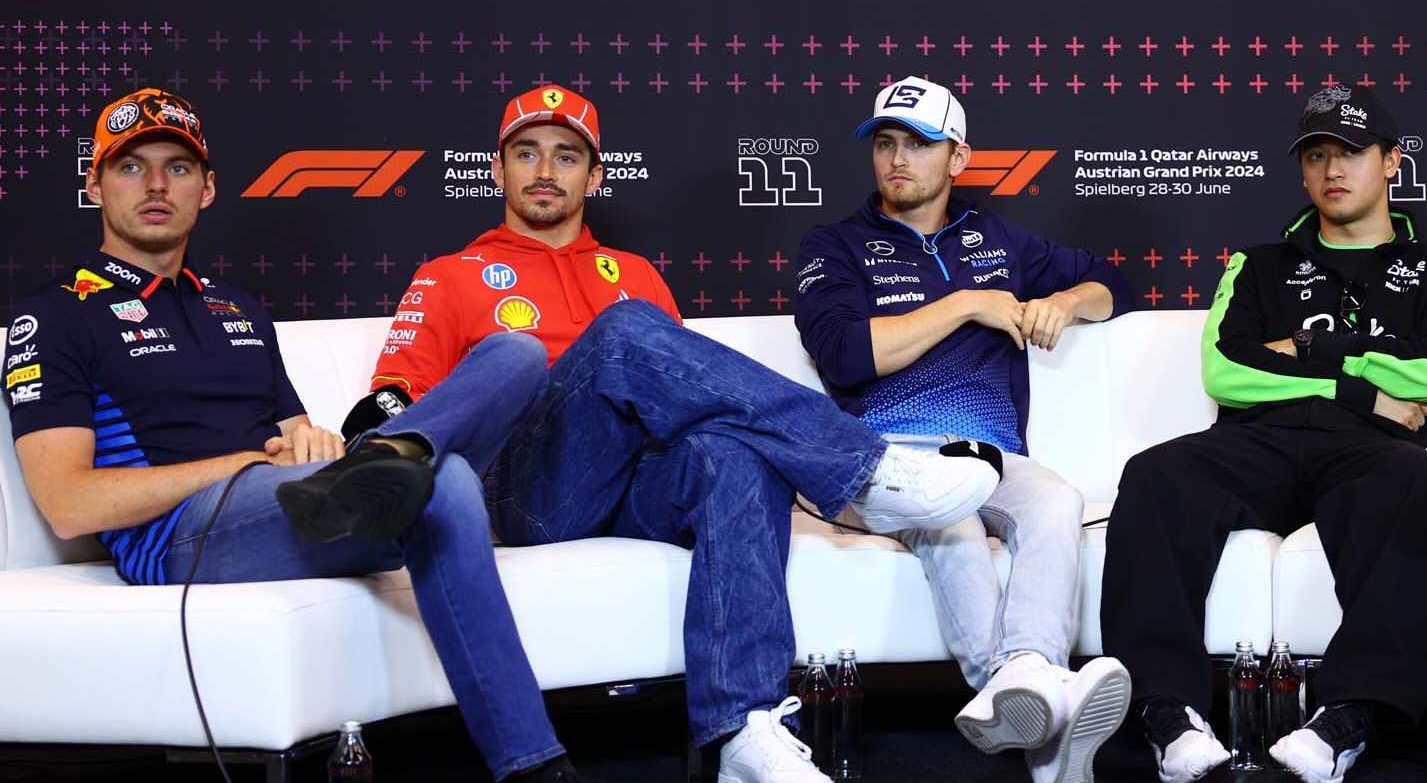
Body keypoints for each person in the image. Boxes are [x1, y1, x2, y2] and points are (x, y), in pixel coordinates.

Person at [312, 84, 1000, 783]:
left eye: (566, 156)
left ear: (596, 176)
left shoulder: (634, 274)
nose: (546, 171)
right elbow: (390, 406)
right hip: (527, 492)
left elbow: (696, 397)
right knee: (626, 331)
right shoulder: (449, 276)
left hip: (633, 484)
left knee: (731, 454)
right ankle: (867, 471)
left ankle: (744, 730)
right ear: (497, 170)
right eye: (527, 153)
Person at [3, 89, 591, 782]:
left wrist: (313, 447)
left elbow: (297, 438)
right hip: (181, 538)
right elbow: (71, 503)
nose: (157, 185)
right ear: (95, 183)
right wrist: (248, 463)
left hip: (289, 501)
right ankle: (534, 768)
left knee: (514, 355)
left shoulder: (239, 309)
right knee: (449, 481)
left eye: (178, 168)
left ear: (208, 188)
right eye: (131, 167)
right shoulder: (55, 314)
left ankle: (402, 451)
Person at [1098, 83, 1427, 783]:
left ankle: (1349, 716)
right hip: (1259, 441)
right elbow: (1226, 375)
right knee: (1156, 473)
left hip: (1372, 453)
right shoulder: (1257, 264)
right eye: (1317, 156)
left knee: (1415, 478)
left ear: (1393, 161)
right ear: (1302, 171)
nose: (1333, 170)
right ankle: (1165, 709)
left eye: (1351, 153)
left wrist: (1302, 350)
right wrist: (1361, 385)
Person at [792, 77, 1136, 783]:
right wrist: (965, 305)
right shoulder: (835, 245)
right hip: (882, 463)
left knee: (1058, 500)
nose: (897, 158)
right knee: (951, 522)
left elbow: (1114, 283)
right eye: (885, 143)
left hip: (991, 457)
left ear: (958, 159)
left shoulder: (997, 237)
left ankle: (1032, 682)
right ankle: (1021, 693)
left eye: (919, 144)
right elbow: (843, 354)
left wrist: (1066, 303)